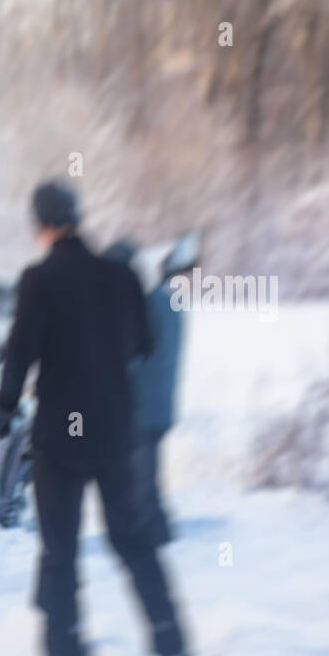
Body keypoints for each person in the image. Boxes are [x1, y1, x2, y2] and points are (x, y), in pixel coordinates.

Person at [0, 180, 187, 656]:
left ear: (41, 225)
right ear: (77, 218)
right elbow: (143, 345)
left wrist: (4, 408)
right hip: (115, 432)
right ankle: (170, 640)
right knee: (131, 536)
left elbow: (19, 354)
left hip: (61, 435)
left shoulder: (38, 280)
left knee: (60, 552)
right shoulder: (120, 277)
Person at [129, 234, 195, 547]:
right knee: (146, 475)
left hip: (143, 408)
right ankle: (154, 530)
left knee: (142, 478)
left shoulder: (152, 303)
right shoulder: (174, 304)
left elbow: (135, 357)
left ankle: (155, 533)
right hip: (160, 406)